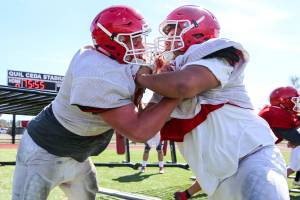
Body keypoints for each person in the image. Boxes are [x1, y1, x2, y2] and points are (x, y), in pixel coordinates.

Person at [12, 6, 181, 200]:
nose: (141, 45)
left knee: (87, 194)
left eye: (140, 37)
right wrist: (175, 93)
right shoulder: (95, 72)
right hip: (45, 148)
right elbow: (139, 131)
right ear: (111, 40)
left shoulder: (119, 61)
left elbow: (137, 110)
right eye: (131, 39)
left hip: (78, 152)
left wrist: (150, 81)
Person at [136, 5, 289, 200]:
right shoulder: (170, 75)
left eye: (173, 30)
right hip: (215, 179)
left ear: (196, 29)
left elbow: (185, 85)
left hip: (251, 157)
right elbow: (144, 129)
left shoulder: (213, 52)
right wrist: (142, 91)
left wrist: (142, 79)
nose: (168, 38)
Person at [258, 86, 300, 185]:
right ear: (284, 101)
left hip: (256, 150)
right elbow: (297, 138)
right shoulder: (277, 113)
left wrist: (294, 140)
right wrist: (295, 140)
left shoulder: (273, 111)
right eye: (295, 100)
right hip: (253, 153)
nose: (297, 103)